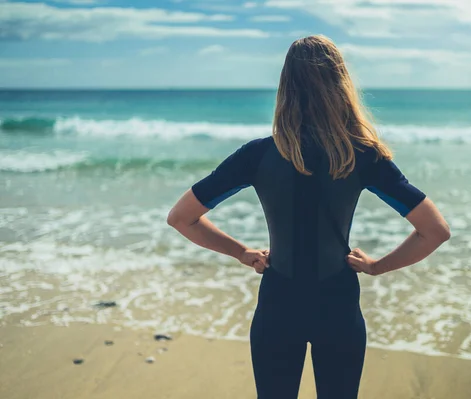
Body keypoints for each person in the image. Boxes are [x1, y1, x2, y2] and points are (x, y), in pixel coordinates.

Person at [167, 35, 450, 399]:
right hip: (339, 305)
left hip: (278, 304)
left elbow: (181, 217)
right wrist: (377, 266)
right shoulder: (362, 157)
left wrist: (240, 252)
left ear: (286, 88)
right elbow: (435, 231)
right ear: (341, 85)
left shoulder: (257, 155)